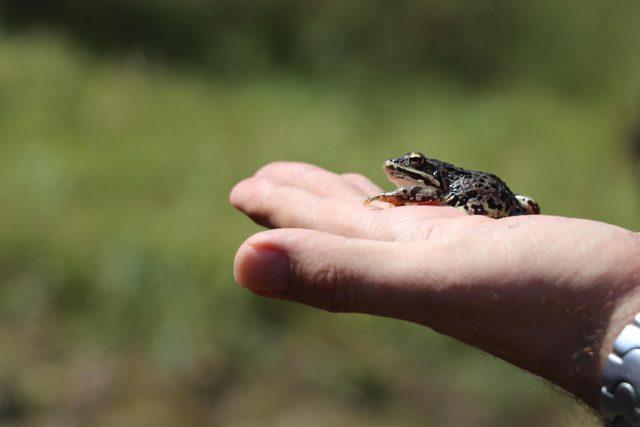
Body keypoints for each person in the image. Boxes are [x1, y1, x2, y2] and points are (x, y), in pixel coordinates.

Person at [229, 161, 640, 413]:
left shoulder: (437, 183)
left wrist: (618, 299)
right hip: (506, 203)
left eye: (412, 164)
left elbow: (420, 194)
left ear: (428, 168)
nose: (400, 167)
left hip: (486, 199)